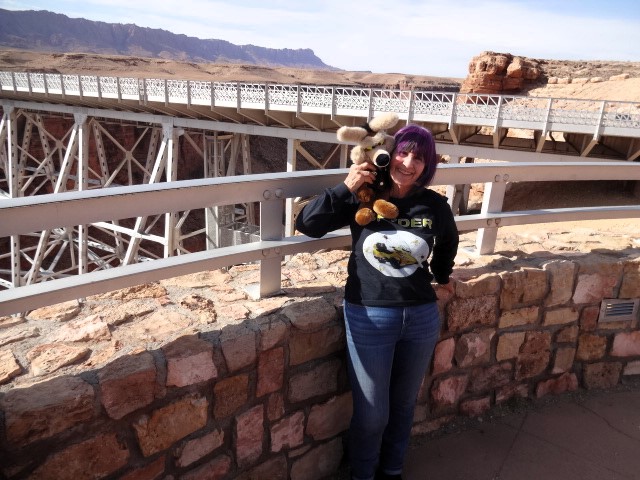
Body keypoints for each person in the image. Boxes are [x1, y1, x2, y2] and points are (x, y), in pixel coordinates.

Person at [295, 124, 459, 480]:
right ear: (389, 153)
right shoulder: (363, 196)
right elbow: (307, 224)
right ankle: (363, 474)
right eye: (403, 152)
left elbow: (448, 242)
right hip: (369, 316)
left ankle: (392, 470)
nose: (408, 163)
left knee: (403, 406)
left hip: (421, 317)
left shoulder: (434, 205)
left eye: (419, 158)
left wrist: (442, 276)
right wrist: (346, 186)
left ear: (427, 165)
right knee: (372, 414)